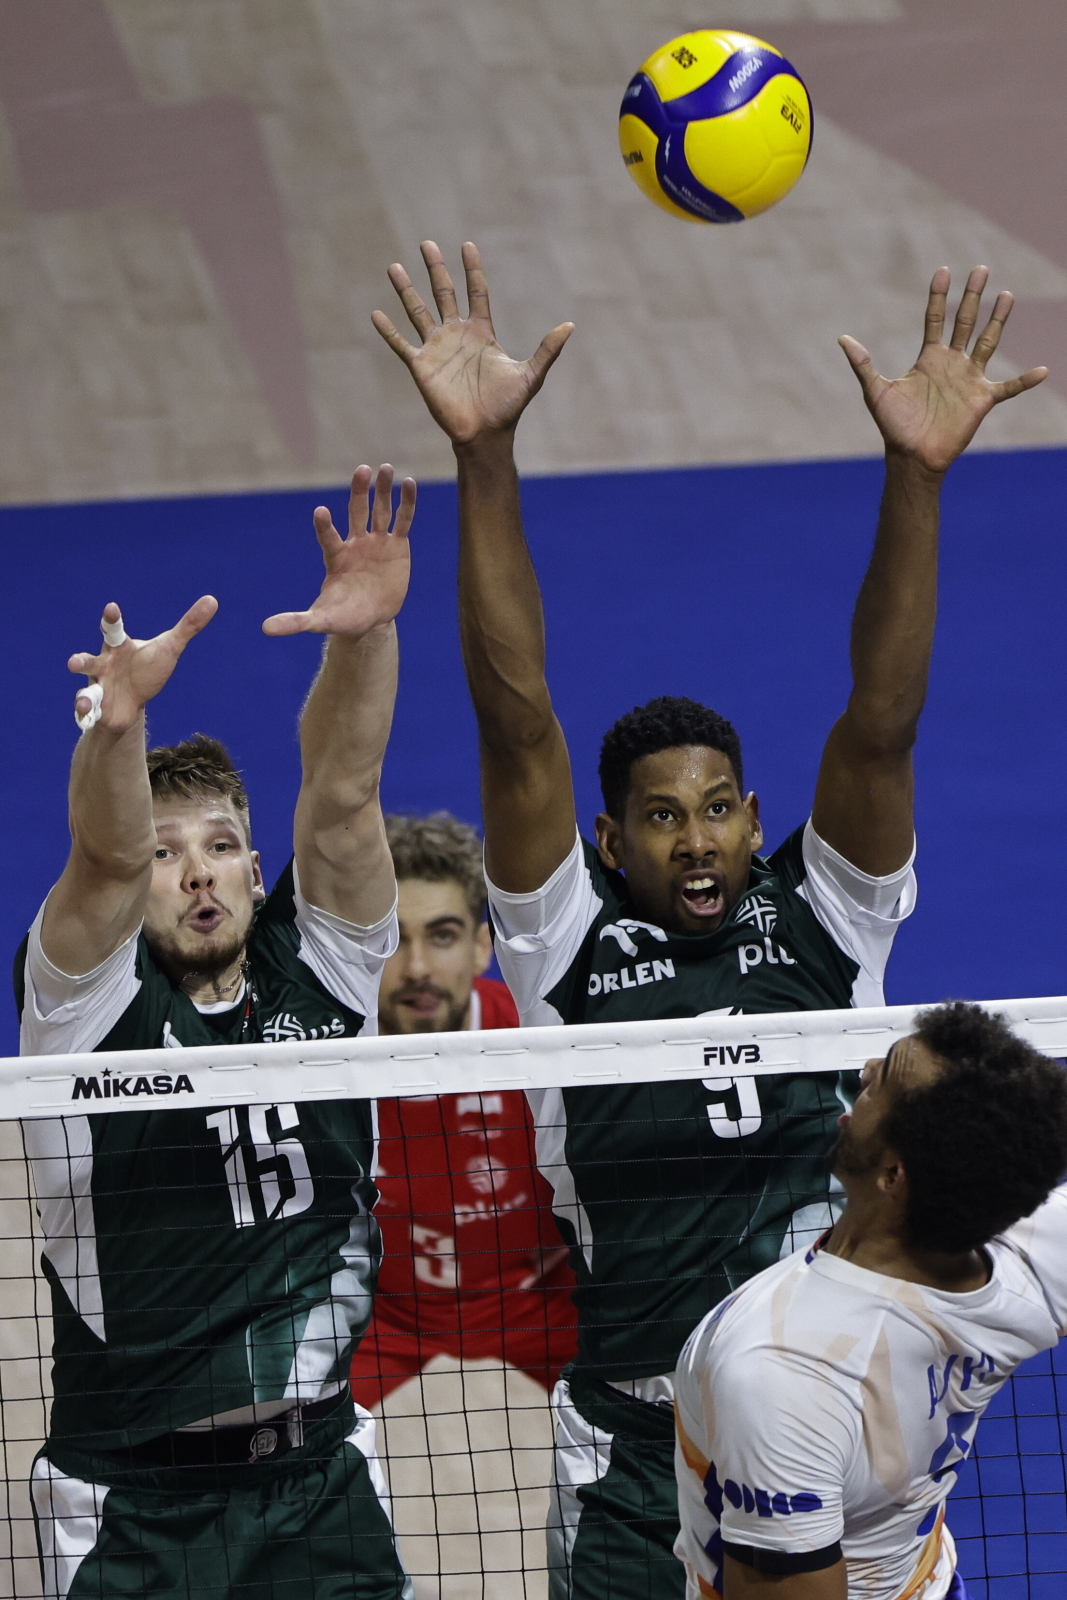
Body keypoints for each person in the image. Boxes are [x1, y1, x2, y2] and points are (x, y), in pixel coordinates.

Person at [372, 245, 1048, 1599]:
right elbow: (516, 725)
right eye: (661, 818)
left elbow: (879, 720)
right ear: (607, 840)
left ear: (753, 816)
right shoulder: (563, 944)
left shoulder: (825, 914)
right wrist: (484, 460)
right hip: (635, 1453)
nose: (697, 840)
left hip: (840, 1401)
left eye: (720, 809)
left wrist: (914, 478)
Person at [18, 466, 417, 1600]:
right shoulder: (83, 1009)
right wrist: (118, 730)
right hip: (132, 1504)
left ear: (254, 869)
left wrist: (365, 639)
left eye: (223, 845)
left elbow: (343, 791)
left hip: (320, 1479)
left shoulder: (321, 971)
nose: (197, 873)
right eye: (169, 852)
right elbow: (102, 858)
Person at [674, 1002, 1067, 1600]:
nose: (863, 1070)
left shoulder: (784, 1370)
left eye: (882, 1081)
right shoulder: (1029, 1259)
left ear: (893, 1174)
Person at [350, 810, 576, 1406]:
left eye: (443, 935)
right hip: (385, 1330)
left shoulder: (538, 1040)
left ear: (482, 947)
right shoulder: (329, 1062)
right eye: (391, 941)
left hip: (543, 1316)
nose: (417, 968)